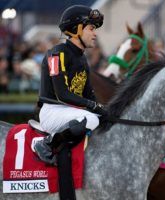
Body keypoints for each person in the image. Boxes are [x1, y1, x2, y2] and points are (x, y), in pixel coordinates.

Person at [34, 5, 106, 164]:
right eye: (91, 28)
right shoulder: (56, 54)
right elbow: (62, 94)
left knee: (104, 119)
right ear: (77, 29)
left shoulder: (82, 58)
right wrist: (94, 106)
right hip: (52, 111)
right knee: (92, 119)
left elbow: (88, 94)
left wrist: (105, 109)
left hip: (70, 111)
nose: (95, 34)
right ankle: (46, 143)